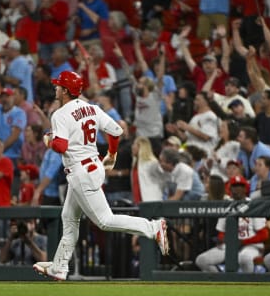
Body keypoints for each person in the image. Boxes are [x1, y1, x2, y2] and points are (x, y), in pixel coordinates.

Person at [32, 71, 168, 281]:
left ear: (66, 90)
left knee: (105, 221)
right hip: (92, 167)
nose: (56, 88)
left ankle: (152, 227)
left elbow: (60, 146)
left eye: (59, 86)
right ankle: (59, 267)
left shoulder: (60, 114)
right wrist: (111, 154)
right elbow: (116, 131)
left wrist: (47, 139)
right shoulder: (92, 108)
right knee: (69, 219)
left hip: (80, 173)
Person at [195, 175, 269, 273]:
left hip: (251, 246)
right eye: (234, 186)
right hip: (230, 246)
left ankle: (246, 285)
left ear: (245, 188)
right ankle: (223, 283)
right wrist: (222, 239)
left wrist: (242, 242)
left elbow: (264, 234)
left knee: (244, 258)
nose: (236, 189)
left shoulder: (253, 205)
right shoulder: (227, 206)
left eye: (240, 186)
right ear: (230, 189)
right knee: (201, 260)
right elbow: (221, 232)